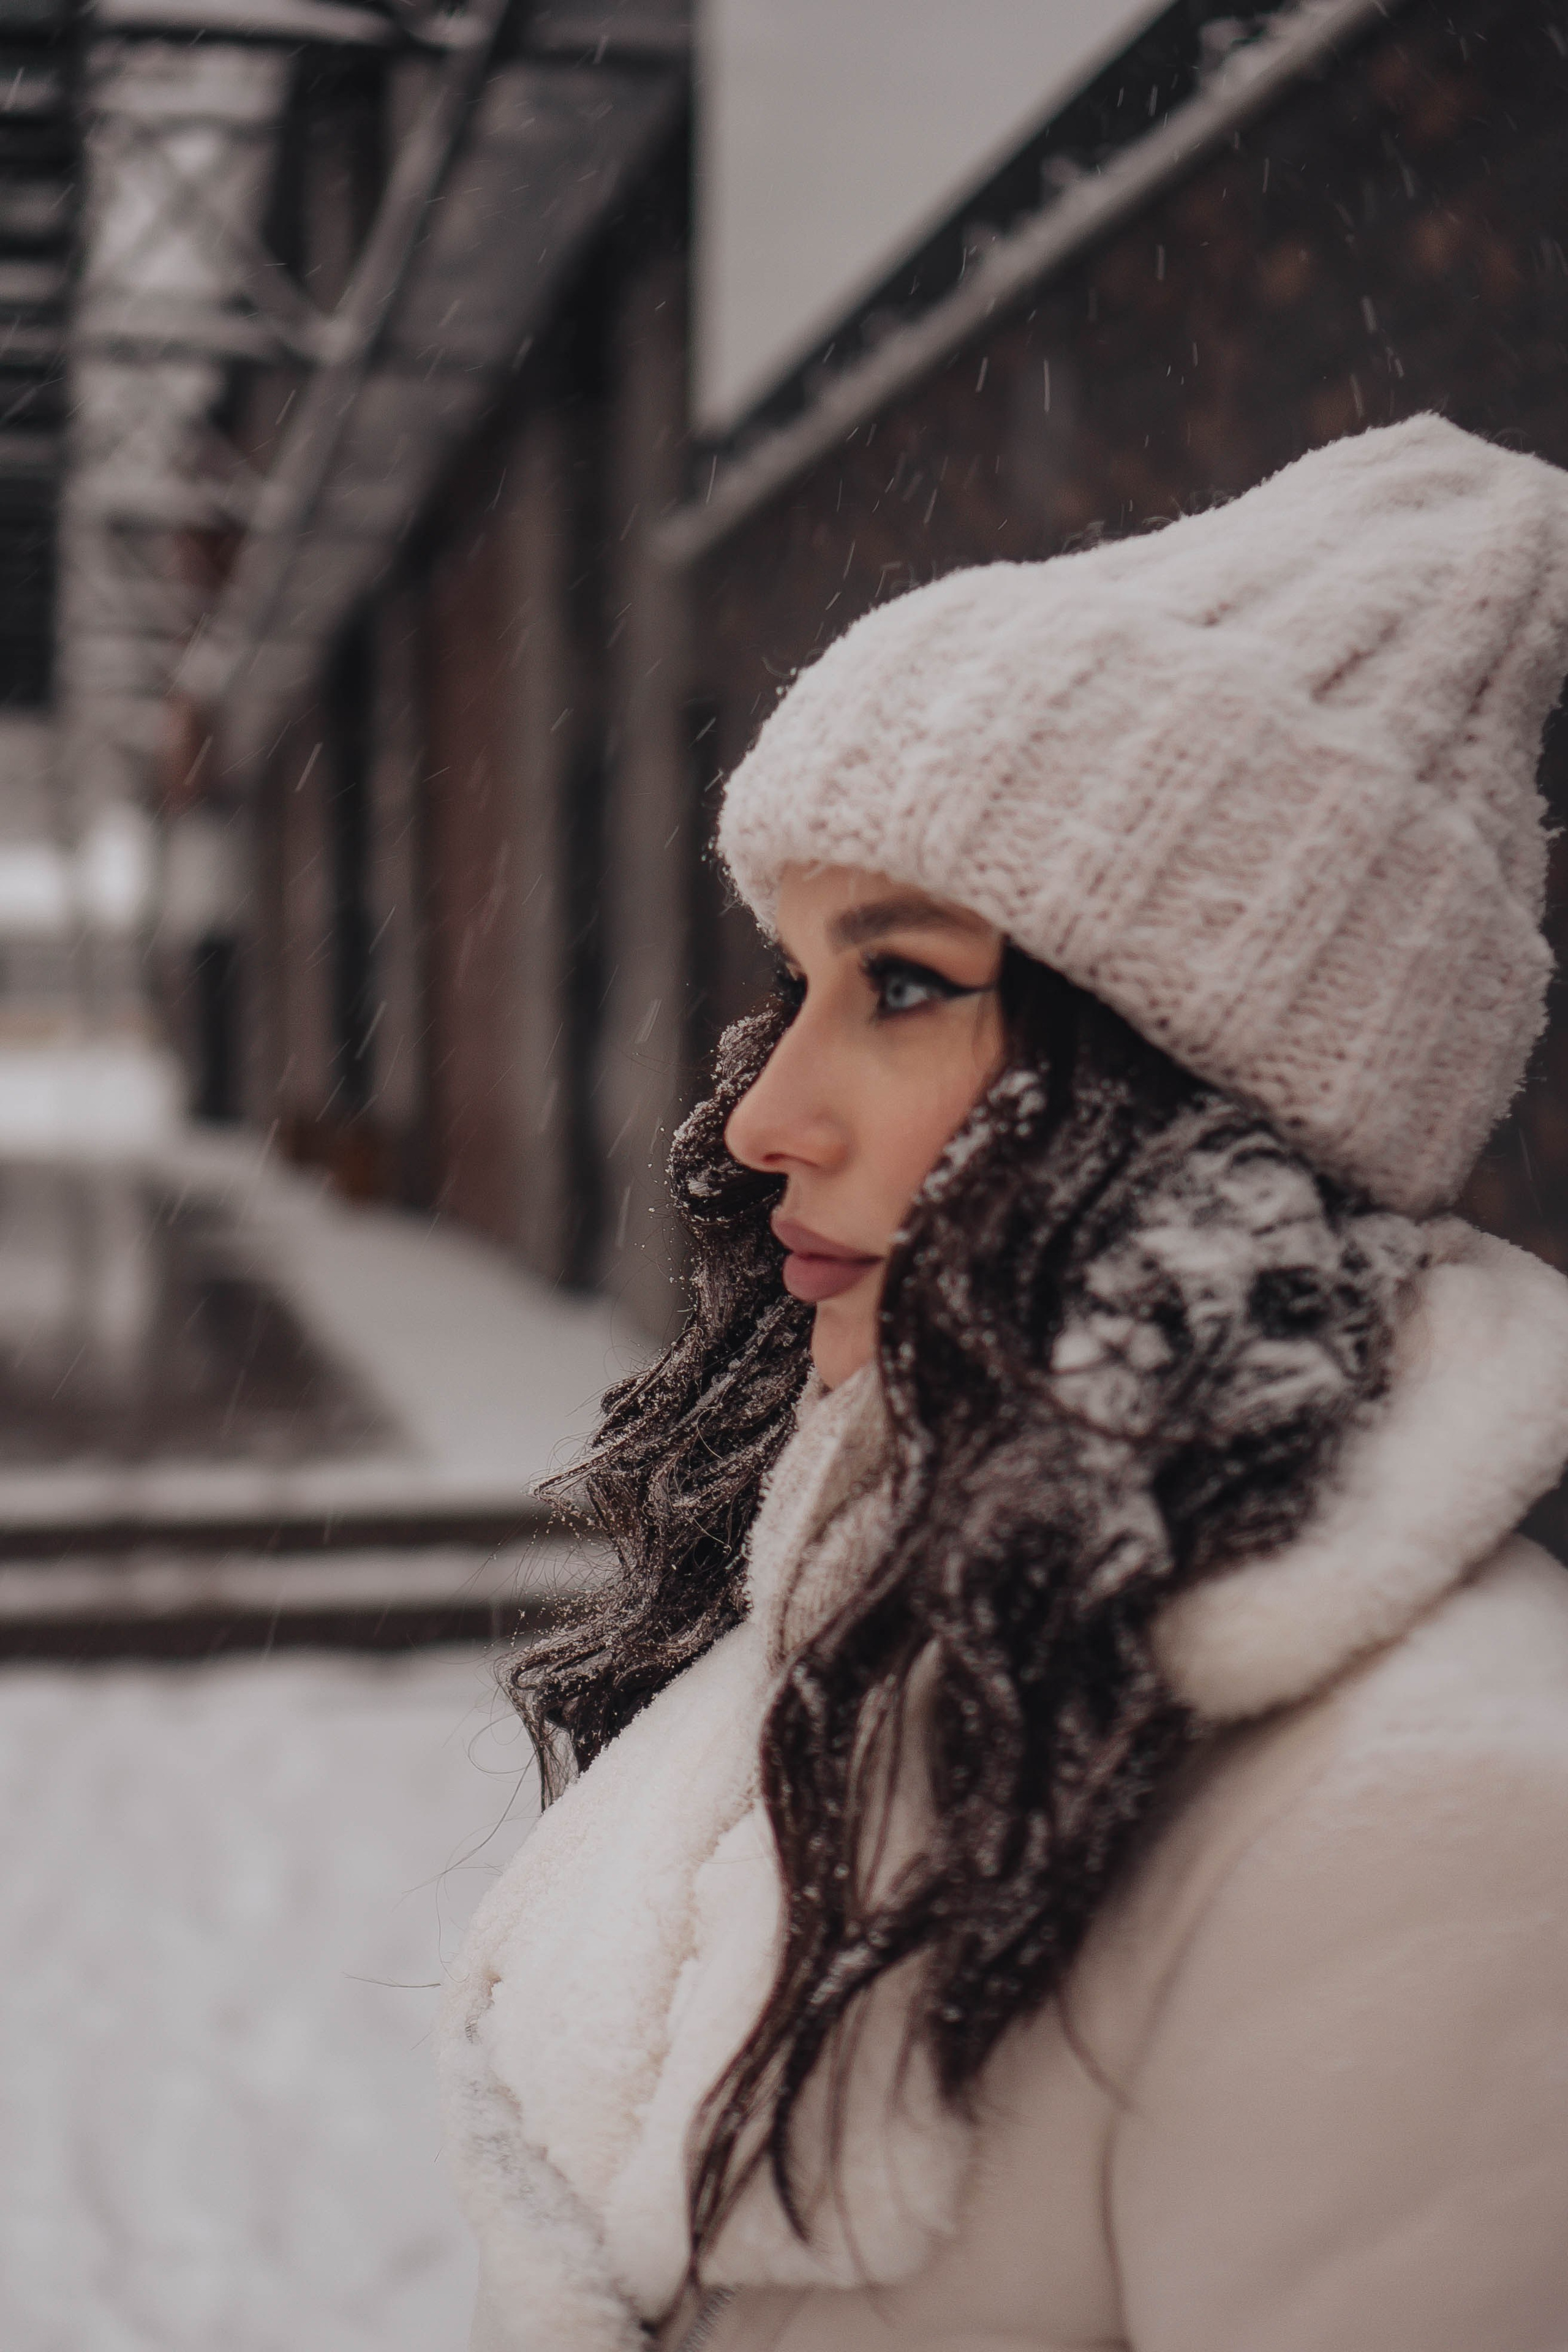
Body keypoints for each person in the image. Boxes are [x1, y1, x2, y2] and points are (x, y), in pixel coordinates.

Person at [439, 414, 1568, 2352]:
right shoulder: (890, 1582)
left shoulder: (1446, 1826)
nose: (770, 1116)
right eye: (790, 984)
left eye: (901, 984)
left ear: (1203, 1079)